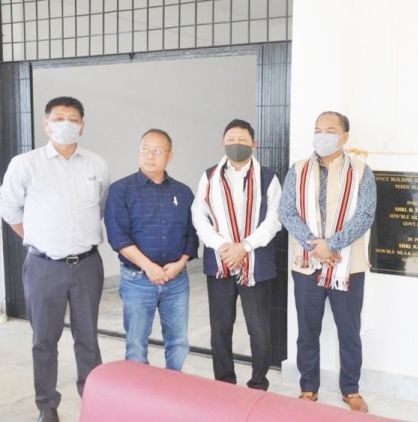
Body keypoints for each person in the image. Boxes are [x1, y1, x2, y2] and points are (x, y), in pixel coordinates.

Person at [0, 96, 109, 422]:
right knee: (44, 340)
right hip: (43, 267)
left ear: (83, 125)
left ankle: (93, 402)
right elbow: (9, 209)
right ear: (46, 124)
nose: (66, 124)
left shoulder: (96, 164)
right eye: (58, 118)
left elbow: (100, 208)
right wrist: (37, 238)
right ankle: (47, 407)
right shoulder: (25, 164)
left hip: (88, 265)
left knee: (88, 338)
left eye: (73, 118)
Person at [279, 111, 376, 412]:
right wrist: (315, 245)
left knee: (349, 330)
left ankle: (351, 388)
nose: (322, 135)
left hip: (347, 266)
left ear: (344, 136)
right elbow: (287, 212)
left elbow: (364, 215)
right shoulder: (297, 169)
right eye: (318, 129)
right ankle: (308, 387)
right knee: (307, 329)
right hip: (306, 264)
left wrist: (331, 245)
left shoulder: (361, 170)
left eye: (330, 130)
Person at [191, 119, 282, 390]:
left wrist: (245, 246)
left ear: (254, 144)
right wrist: (223, 246)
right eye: (231, 139)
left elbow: (274, 220)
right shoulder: (209, 176)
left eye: (242, 140)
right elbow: (199, 215)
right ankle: (224, 382)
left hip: (256, 263)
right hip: (220, 263)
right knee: (220, 327)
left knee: (259, 329)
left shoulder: (268, 177)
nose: (236, 145)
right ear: (222, 142)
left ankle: (258, 383)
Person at [104, 128, 198, 371]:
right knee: (136, 344)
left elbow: (191, 234)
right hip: (137, 280)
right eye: (144, 150)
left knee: (178, 342)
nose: (149, 156)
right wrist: (149, 267)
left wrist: (180, 264)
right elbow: (118, 236)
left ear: (170, 155)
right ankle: (138, 399)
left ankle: (173, 392)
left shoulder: (183, 192)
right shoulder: (120, 190)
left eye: (157, 151)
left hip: (176, 281)